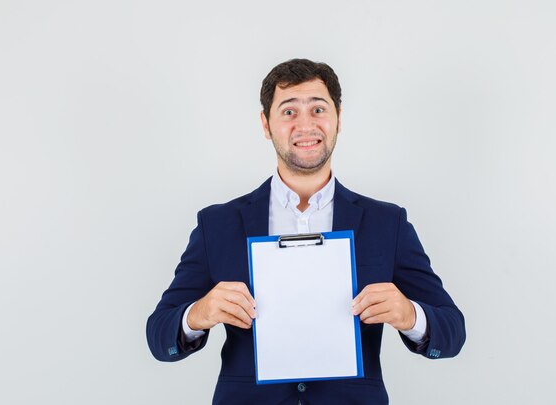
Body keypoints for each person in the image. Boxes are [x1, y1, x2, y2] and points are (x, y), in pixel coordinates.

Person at [146, 58, 465, 405]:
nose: (305, 125)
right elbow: (158, 335)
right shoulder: (217, 224)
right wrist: (198, 314)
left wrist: (409, 314)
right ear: (266, 124)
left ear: (338, 120)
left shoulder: (387, 223)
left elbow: (452, 332)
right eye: (288, 112)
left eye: (317, 109)